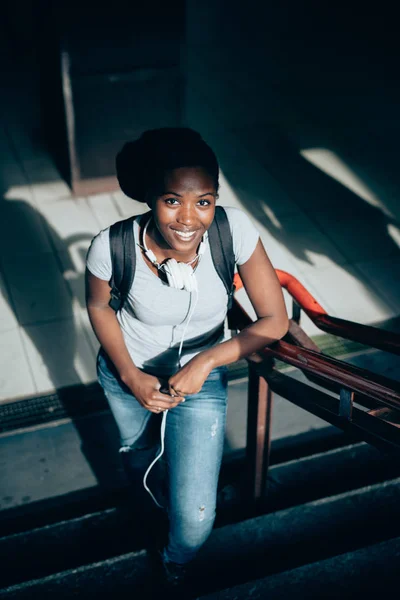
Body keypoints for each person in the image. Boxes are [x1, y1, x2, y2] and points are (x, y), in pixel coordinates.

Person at [85, 128, 289, 588]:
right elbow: (98, 307)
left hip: (201, 379)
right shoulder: (112, 245)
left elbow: (273, 320)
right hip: (127, 374)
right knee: (138, 455)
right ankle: (147, 511)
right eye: (172, 200)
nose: (189, 218)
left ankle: (174, 558)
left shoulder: (232, 230)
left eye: (205, 201)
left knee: (196, 517)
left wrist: (205, 363)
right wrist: (130, 375)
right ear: (150, 197)